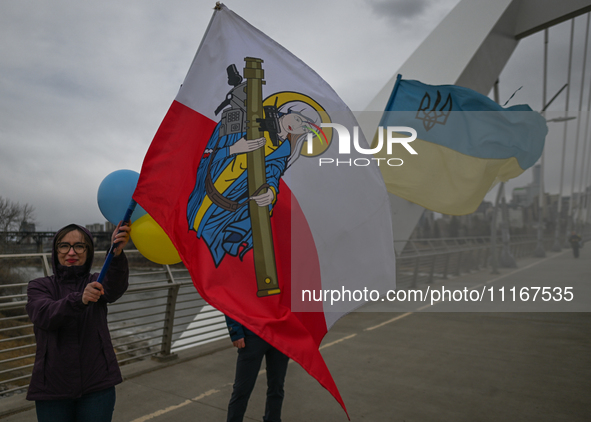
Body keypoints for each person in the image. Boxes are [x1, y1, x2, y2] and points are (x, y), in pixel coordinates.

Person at [26, 222, 131, 422]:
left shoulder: (97, 281)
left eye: (79, 246)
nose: (71, 252)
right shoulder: (39, 286)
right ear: (56, 251)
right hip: (52, 388)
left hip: (98, 384)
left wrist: (116, 255)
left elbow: (115, 286)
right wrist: (79, 299)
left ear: (88, 251)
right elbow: (44, 315)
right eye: (64, 246)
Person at [225, 316, 289, 422]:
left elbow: (295, 302)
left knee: (277, 386)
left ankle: (273, 419)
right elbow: (230, 300)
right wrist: (236, 332)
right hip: (252, 335)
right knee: (242, 389)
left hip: (280, 335)